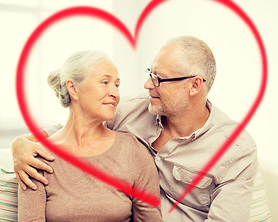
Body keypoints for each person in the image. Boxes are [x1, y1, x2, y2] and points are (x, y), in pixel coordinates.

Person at [13, 36, 257, 221]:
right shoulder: (131, 110)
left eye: (158, 78)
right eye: (150, 73)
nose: (147, 84)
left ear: (194, 86)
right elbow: (77, 128)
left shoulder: (236, 151)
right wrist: (21, 144)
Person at [16, 50, 162, 222]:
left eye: (117, 85)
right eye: (105, 82)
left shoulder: (133, 151)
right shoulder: (36, 158)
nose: (115, 93)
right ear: (73, 88)